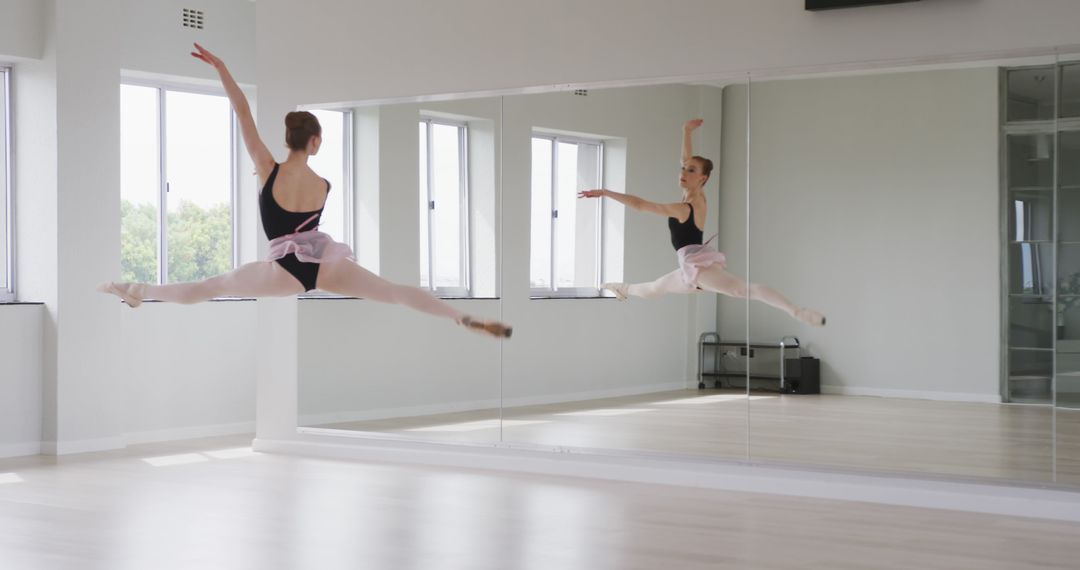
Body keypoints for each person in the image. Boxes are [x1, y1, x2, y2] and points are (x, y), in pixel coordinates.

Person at [99, 43, 511, 338]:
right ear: (314, 142)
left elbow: (242, 112)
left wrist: (222, 67)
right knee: (392, 291)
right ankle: (460, 318)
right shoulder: (323, 184)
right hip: (324, 263)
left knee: (212, 286)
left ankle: (136, 291)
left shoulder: (268, 169)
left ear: (289, 138)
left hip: (284, 272)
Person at [578, 119, 825, 327]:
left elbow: (642, 205)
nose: (683, 172)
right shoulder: (696, 194)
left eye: (692, 171)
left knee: (742, 290)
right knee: (654, 289)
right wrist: (685, 132)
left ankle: (797, 312)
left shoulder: (685, 207)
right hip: (689, 264)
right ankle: (621, 288)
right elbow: (687, 158)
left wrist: (606, 192)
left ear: (703, 178)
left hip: (699, 267)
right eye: (683, 169)